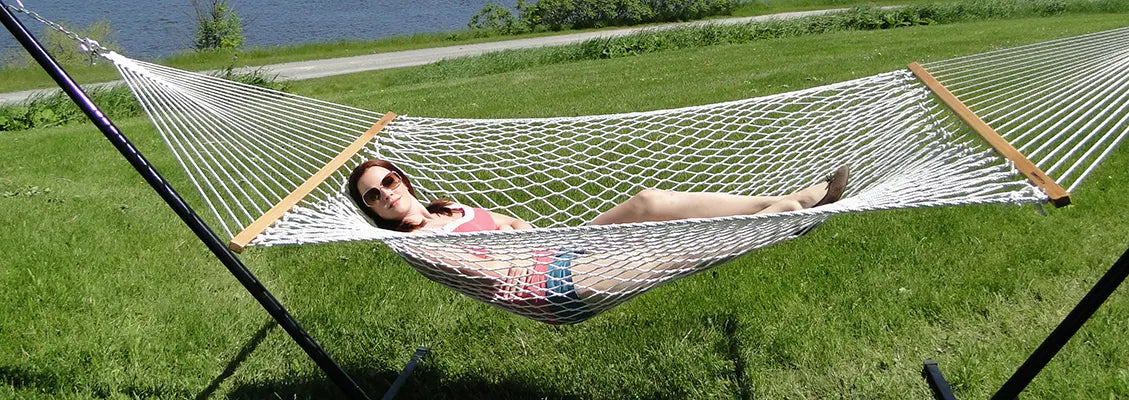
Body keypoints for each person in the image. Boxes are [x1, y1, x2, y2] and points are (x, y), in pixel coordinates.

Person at [347, 159, 849, 324]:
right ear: (371, 211)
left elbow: (514, 224)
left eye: (387, 182)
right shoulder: (415, 244)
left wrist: (526, 233)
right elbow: (485, 271)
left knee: (648, 203)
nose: (385, 196)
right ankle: (784, 223)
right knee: (666, 250)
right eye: (373, 197)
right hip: (549, 287)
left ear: (402, 179)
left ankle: (782, 202)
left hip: (558, 248)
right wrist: (516, 247)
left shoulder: (451, 209)